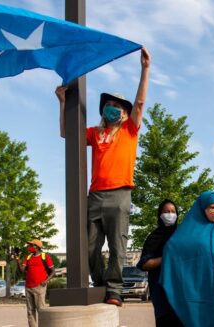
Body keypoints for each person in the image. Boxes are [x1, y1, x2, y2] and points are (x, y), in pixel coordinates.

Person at [55, 47, 151, 306]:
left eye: (118, 106)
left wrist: (144, 69)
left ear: (124, 112)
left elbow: (140, 103)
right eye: (109, 105)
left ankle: (115, 290)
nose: (113, 108)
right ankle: (99, 284)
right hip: (95, 195)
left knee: (118, 246)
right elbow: (67, 134)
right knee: (89, 246)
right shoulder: (95, 133)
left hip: (120, 193)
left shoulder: (130, 130)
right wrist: (62, 103)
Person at [160, 191, 214, 327]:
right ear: (203, 208)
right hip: (203, 288)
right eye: (212, 207)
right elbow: (174, 248)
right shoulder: (190, 229)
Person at [137, 199, 182, 326]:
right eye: (166, 211)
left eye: (173, 211)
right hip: (162, 292)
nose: (170, 214)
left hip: (182, 292)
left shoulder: (182, 235)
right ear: (160, 215)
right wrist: (166, 258)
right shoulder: (154, 237)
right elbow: (144, 264)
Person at [14, 239, 55, 327]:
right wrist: (17, 259)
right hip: (28, 287)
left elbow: (53, 271)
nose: (30, 247)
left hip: (39, 286)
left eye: (32, 245)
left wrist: (46, 281)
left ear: (37, 247)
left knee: (41, 310)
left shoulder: (45, 257)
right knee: (30, 311)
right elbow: (22, 270)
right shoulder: (28, 257)